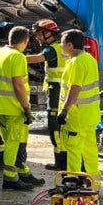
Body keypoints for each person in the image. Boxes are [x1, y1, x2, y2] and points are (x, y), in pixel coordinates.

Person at [0, 26, 44, 191]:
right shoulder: (18, 57)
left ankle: (23, 172)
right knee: (14, 144)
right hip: (15, 108)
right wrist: (26, 108)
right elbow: (18, 85)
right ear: (26, 41)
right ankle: (10, 178)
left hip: (0, 106)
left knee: (16, 142)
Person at [55, 29, 100, 178]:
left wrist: (64, 111)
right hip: (90, 114)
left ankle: (73, 180)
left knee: (73, 148)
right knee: (90, 150)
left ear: (70, 45)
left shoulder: (76, 62)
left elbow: (75, 88)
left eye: (62, 44)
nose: (61, 46)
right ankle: (94, 180)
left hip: (77, 115)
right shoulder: (89, 59)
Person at [27, 19, 67, 171]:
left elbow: (37, 58)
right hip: (61, 91)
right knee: (59, 128)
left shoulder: (52, 49)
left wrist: (16, 58)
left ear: (48, 33)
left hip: (57, 93)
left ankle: (61, 162)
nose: (37, 37)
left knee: (54, 127)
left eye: (38, 34)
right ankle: (62, 161)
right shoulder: (62, 47)